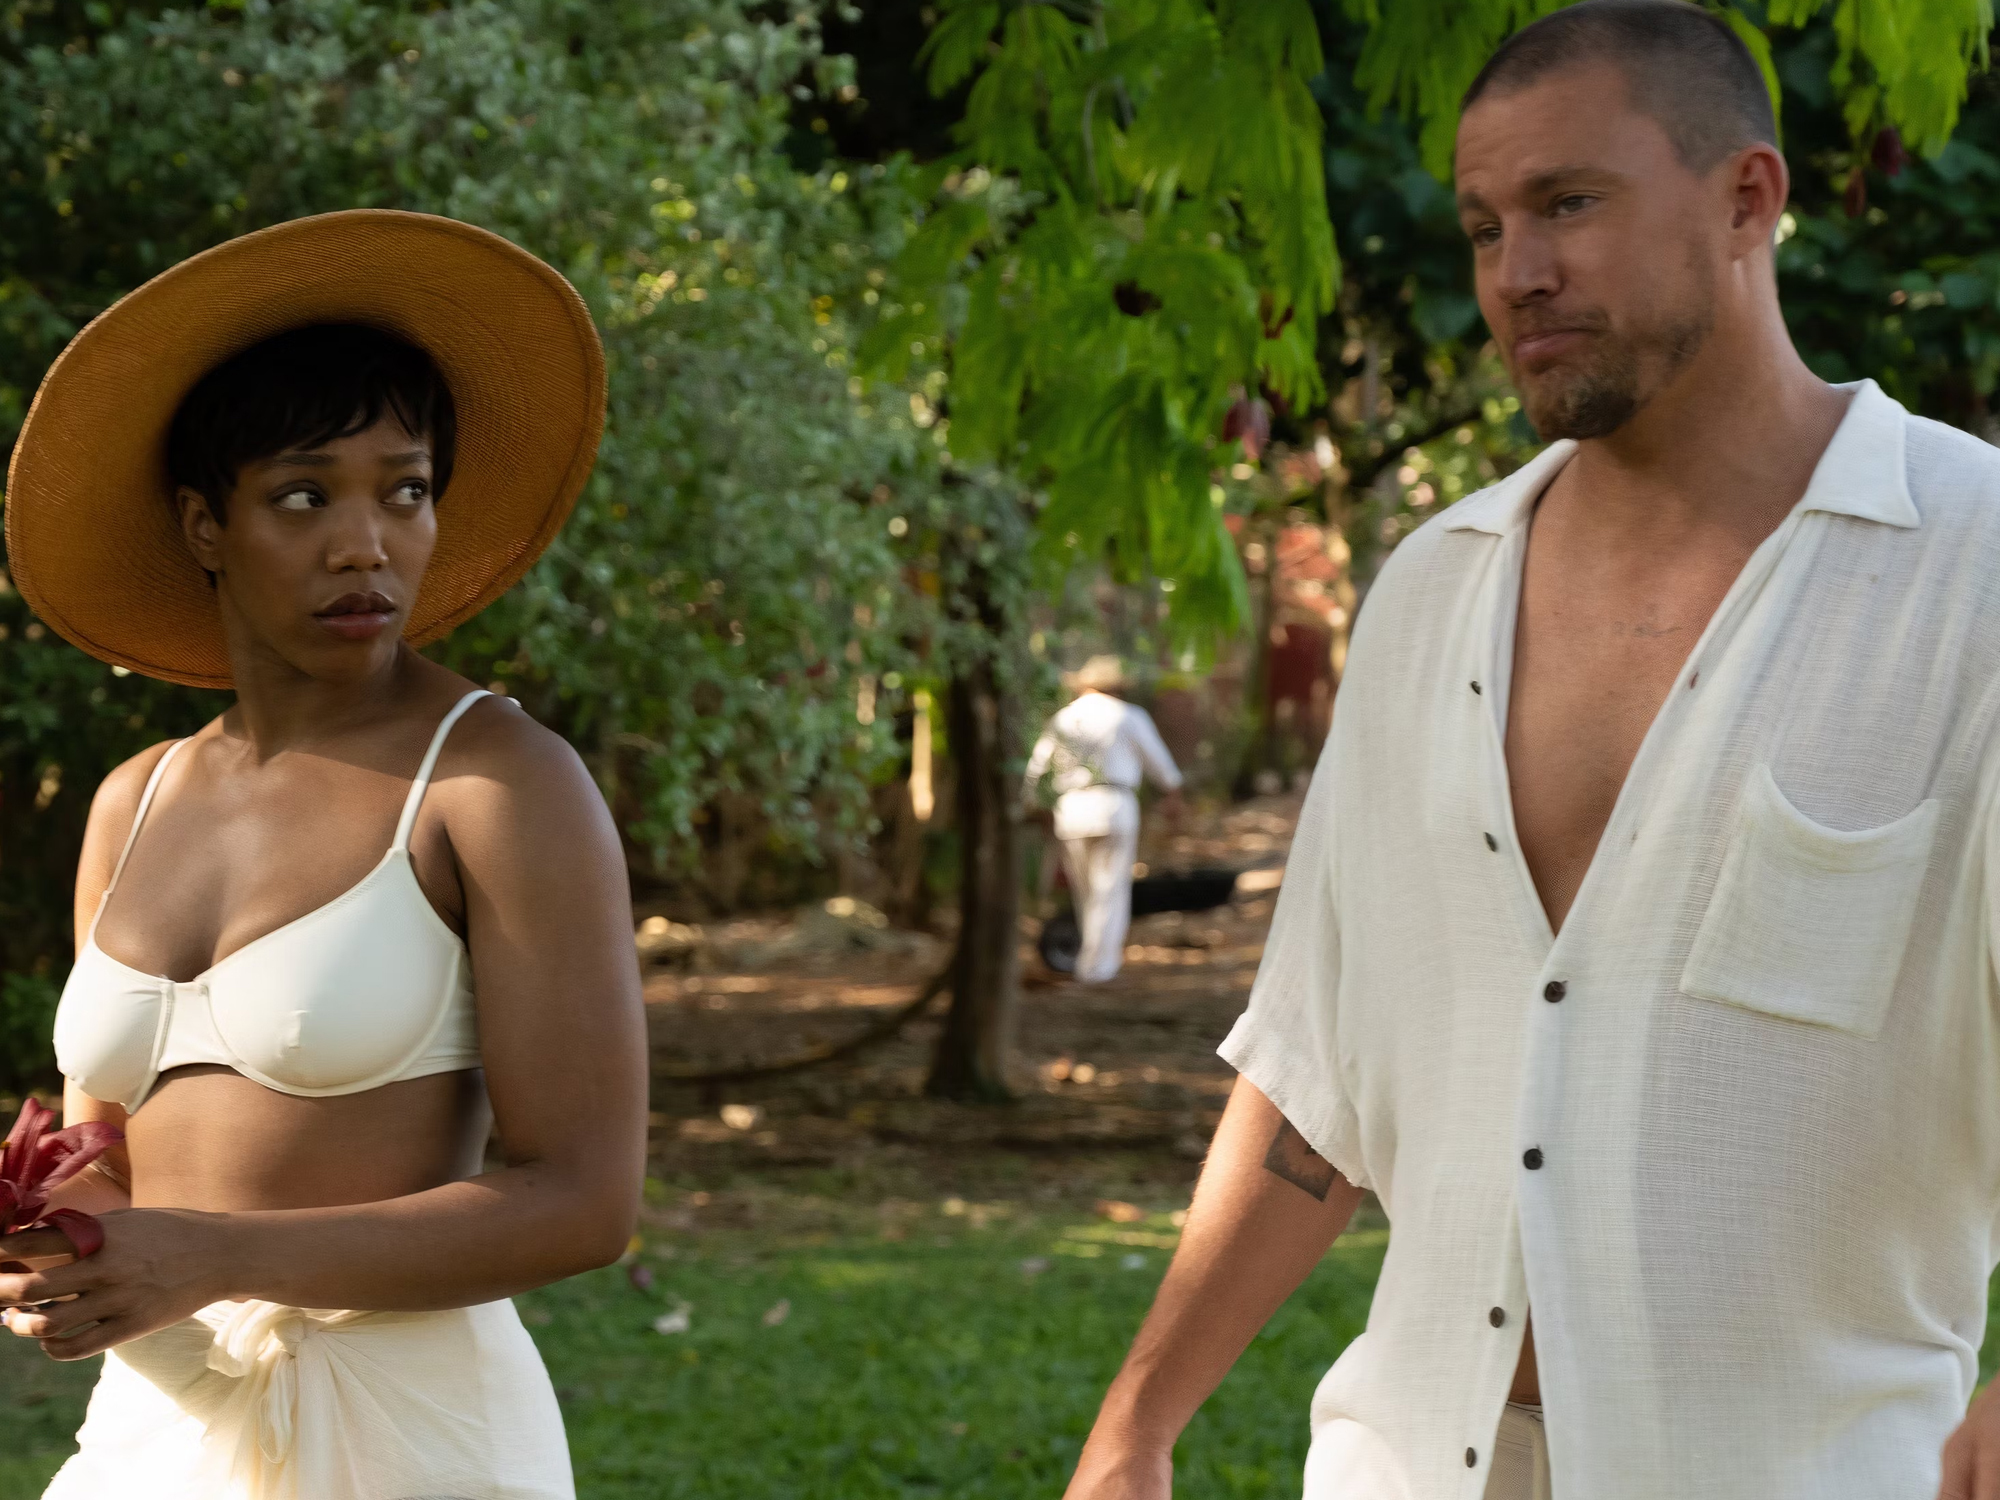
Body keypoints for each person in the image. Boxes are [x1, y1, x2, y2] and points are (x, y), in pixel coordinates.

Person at [1062, 4, 2000, 1498]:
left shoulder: (1970, 574)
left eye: (1569, 203)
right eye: (1485, 226)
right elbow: (1318, 1067)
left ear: (1747, 199)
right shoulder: (1431, 591)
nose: (1518, 273)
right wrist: (1135, 1427)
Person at [0, 210, 647, 1499]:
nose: (367, 543)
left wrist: (219, 1253)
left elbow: (585, 1202)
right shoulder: (134, 801)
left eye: (405, 490)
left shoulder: (495, 785)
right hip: (157, 1423)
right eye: (304, 496)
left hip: (410, 1433)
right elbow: (105, 1155)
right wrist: (55, 1235)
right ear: (204, 524)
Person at [1024, 657, 1185, 982]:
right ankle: (1099, 968)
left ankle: (1091, 963)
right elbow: (1163, 768)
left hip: (1071, 810)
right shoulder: (1128, 715)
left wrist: (1035, 807)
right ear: (1116, 685)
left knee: (1085, 892)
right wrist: (1173, 795)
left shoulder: (1063, 719)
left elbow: (1035, 772)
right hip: (1114, 806)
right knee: (1109, 889)